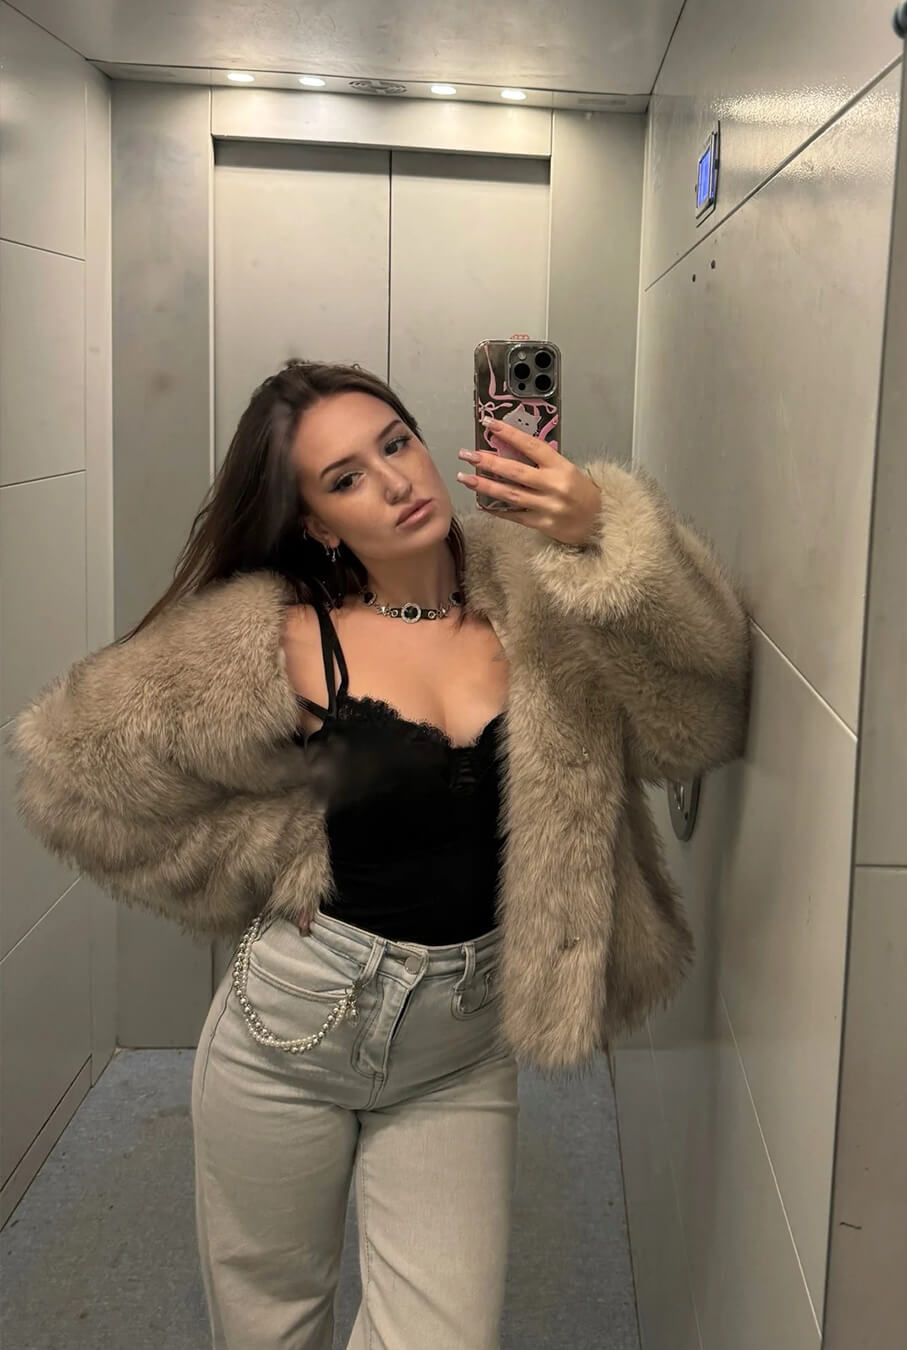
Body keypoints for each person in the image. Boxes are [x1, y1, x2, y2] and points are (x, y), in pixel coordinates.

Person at [11, 359, 750, 1350]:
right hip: (291, 1030)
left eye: (396, 443)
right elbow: (69, 773)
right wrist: (268, 849)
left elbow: (700, 721)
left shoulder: (541, 595)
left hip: (462, 1048)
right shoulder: (277, 639)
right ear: (317, 523)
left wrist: (604, 535)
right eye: (347, 478)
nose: (396, 482)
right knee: (273, 1321)